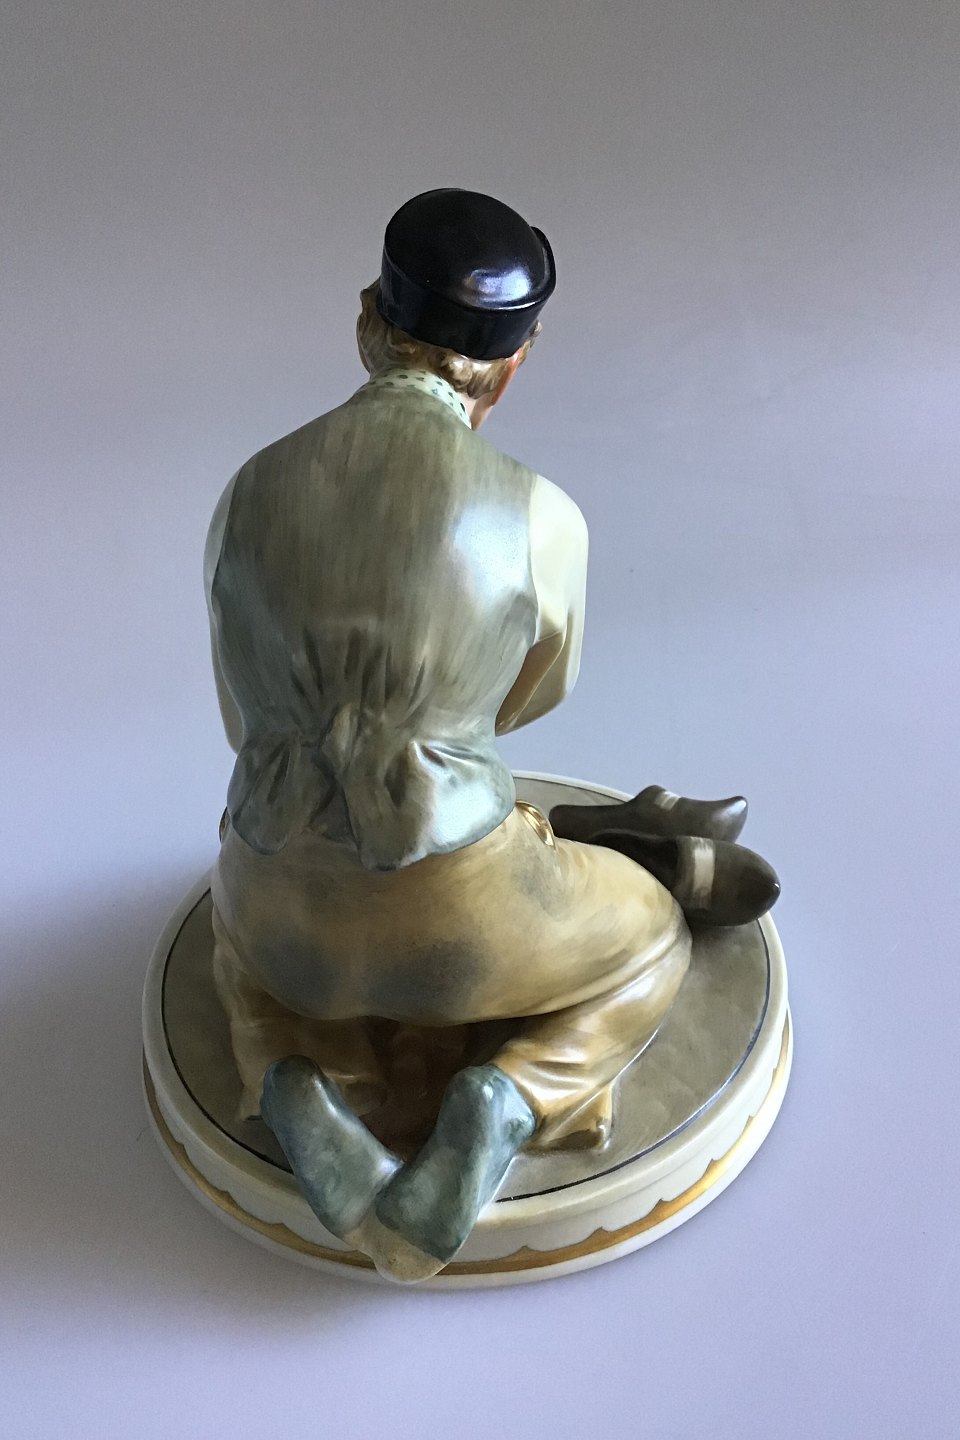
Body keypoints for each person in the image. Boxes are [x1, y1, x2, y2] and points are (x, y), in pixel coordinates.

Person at [204, 189, 777, 1282]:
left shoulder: (246, 491)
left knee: (243, 957)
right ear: (513, 367)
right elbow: (533, 697)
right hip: (458, 908)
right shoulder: (538, 512)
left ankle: (297, 1077)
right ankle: (507, 1095)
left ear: (366, 317)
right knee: (652, 939)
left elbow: (241, 719)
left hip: (273, 889)